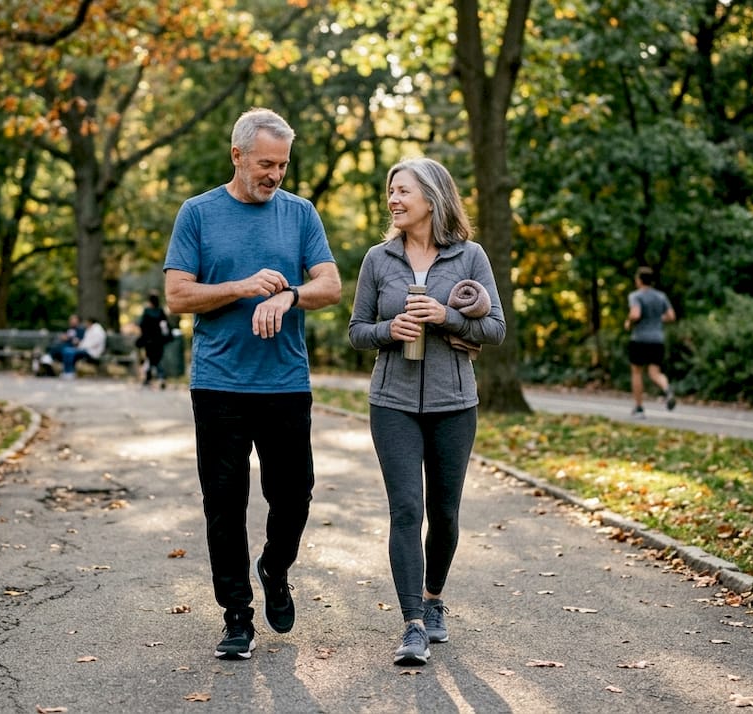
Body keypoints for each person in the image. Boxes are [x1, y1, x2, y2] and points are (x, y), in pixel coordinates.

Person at [163, 107, 341, 661]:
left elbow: (331, 286)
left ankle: (275, 566)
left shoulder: (300, 214)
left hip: (285, 383)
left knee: (294, 495)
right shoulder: (197, 214)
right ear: (237, 155)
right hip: (219, 385)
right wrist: (241, 288)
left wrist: (289, 294)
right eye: (266, 163)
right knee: (224, 504)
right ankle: (236, 616)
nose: (276, 175)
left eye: (283, 165)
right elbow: (177, 296)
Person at [347, 157, 506, 666]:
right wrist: (390, 331)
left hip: (454, 404)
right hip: (391, 402)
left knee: (445, 512)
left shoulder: (470, 257)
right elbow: (356, 332)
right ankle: (412, 623)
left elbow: (496, 329)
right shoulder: (378, 258)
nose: (393, 200)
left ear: (432, 199)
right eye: (390, 192)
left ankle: (434, 599)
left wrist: (446, 316)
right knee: (406, 510)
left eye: (402, 192)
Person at [624, 266, 676, 417]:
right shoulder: (661, 296)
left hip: (640, 339)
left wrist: (628, 321)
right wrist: (658, 319)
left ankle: (639, 408)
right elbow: (671, 316)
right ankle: (666, 389)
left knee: (637, 372)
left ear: (639, 280)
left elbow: (635, 314)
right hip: (657, 339)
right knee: (655, 373)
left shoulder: (636, 296)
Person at [136, 293, 170, 388]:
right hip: (159, 340)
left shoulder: (147, 311)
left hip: (148, 341)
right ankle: (161, 377)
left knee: (150, 359)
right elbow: (165, 326)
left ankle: (149, 379)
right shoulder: (161, 311)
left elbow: (142, 325)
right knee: (157, 359)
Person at [46, 315, 85, 380]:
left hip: (75, 348)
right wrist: (64, 337)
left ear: (77, 321)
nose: (71, 321)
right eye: (70, 320)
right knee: (58, 347)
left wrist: (68, 338)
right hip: (65, 347)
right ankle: (49, 357)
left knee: (67, 351)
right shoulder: (69, 329)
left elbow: (77, 341)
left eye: (73, 319)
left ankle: (68, 372)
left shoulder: (80, 329)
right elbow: (64, 337)